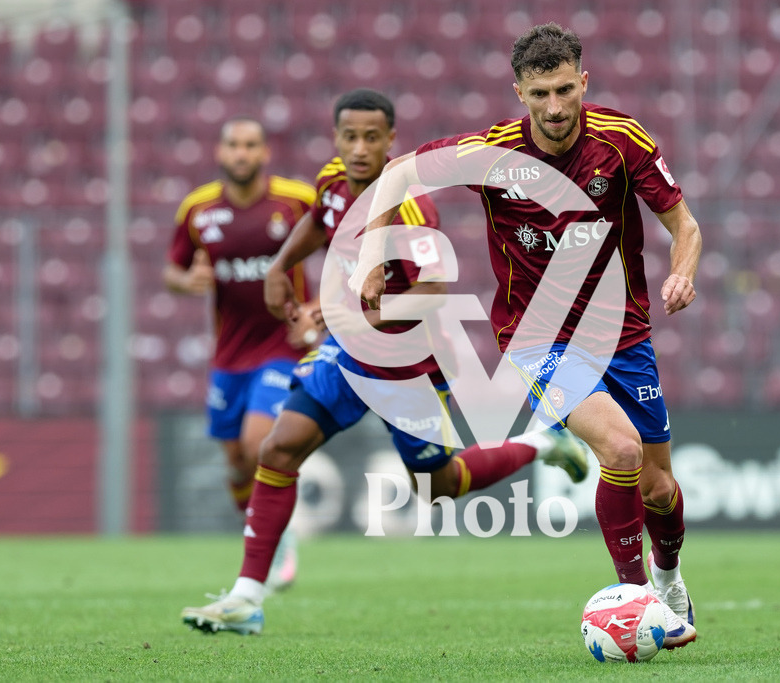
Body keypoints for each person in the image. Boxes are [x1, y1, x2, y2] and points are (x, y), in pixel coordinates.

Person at [180, 89, 588, 635]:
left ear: (390, 140)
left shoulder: (411, 205)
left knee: (436, 485)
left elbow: (435, 290)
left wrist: (358, 319)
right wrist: (281, 265)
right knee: (278, 449)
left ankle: (543, 442)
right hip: (346, 356)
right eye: (349, 136)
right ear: (336, 138)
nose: (359, 147)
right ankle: (247, 598)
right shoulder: (330, 179)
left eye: (372, 137)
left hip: (408, 368)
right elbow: (321, 221)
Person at [353, 25, 702, 649]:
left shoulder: (622, 141)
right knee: (619, 452)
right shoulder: (491, 151)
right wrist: (373, 255)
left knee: (658, 486)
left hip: (624, 333)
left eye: (565, 89)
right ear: (520, 92)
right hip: (536, 336)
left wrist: (682, 272)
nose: (555, 107)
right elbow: (397, 175)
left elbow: (685, 225)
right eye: (540, 93)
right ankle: (637, 599)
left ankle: (670, 580)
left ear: (583, 82)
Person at [165, 117, 317, 591]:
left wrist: (318, 307)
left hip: (282, 346)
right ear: (221, 151)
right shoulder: (197, 209)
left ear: (265, 152)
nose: (242, 153)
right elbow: (173, 269)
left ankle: (278, 540)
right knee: (234, 461)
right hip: (229, 354)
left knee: (259, 444)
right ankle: (260, 529)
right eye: (234, 145)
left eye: (251, 145)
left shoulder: (297, 201)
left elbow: (346, 245)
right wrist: (187, 281)